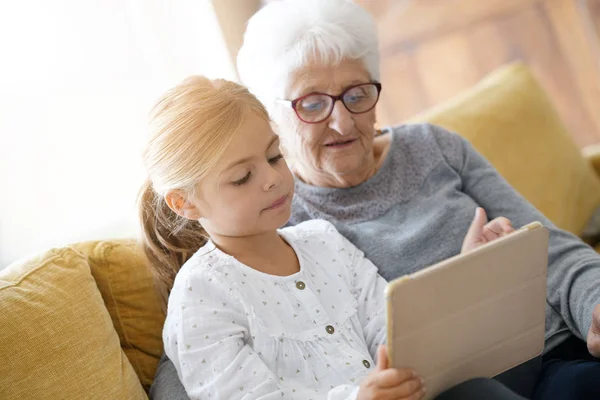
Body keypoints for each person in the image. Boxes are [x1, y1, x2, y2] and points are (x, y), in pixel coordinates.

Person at [149, 0, 600, 399]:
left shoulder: (426, 153)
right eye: (312, 104)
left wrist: (591, 304)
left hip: (557, 343)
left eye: (357, 94)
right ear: (274, 113)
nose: (343, 123)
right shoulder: (265, 225)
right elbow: (193, 366)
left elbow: (553, 250)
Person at [140, 75, 519, 399]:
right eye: (242, 178)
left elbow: (396, 335)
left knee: (480, 392)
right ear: (184, 203)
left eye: (274, 157)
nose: (272, 178)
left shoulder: (324, 241)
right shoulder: (202, 295)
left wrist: (468, 274)